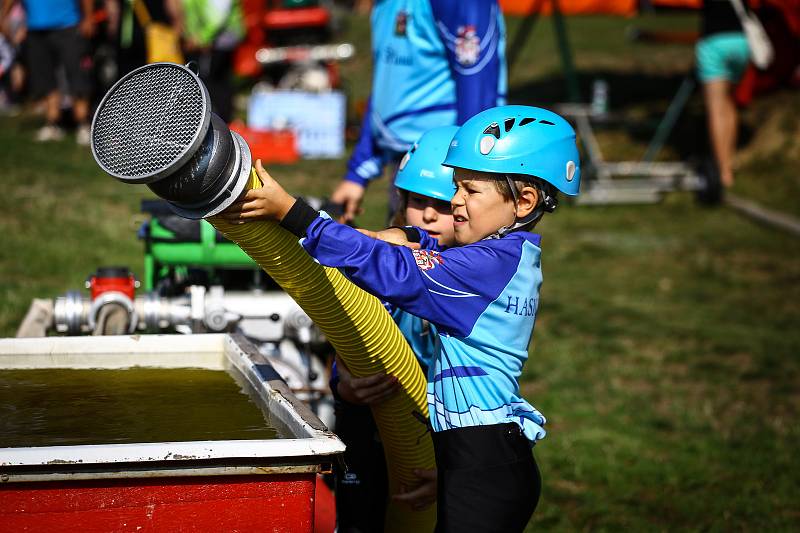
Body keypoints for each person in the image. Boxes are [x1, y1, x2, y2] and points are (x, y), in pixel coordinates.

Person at [220, 105, 581, 532]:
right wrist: (404, 236)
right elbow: (419, 250)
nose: (455, 200)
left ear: (523, 201)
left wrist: (294, 215)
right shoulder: (506, 256)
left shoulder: (485, 268)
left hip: (482, 464)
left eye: (470, 190)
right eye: (456, 187)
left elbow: (394, 270)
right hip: (480, 459)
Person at [330, 125, 458, 532]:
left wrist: (456, 472)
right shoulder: (381, 267)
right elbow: (345, 334)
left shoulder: (474, 281)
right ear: (401, 201)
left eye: (446, 204)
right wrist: (343, 384)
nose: (431, 215)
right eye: (420, 201)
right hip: (368, 422)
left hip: (440, 434)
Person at [331, 0, 507, 223]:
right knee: (402, 254)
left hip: (447, 174)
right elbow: (386, 86)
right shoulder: (384, 4)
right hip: (408, 169)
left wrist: (468, 175)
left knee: (439, 257)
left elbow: (478, 86)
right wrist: (358, 172)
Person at [1, 0, 94, 143]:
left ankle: (83, 124)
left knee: (77, 76)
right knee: (44, 79)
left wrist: (88, 17)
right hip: (35, 29)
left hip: (68, 25)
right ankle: (53, 124)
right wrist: (4, 15)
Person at [696, 0, 754, 188]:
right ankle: (729, 160)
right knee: (729, 103)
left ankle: (723, 171)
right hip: (742, 42)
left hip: (715, 42)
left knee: (716, 107)